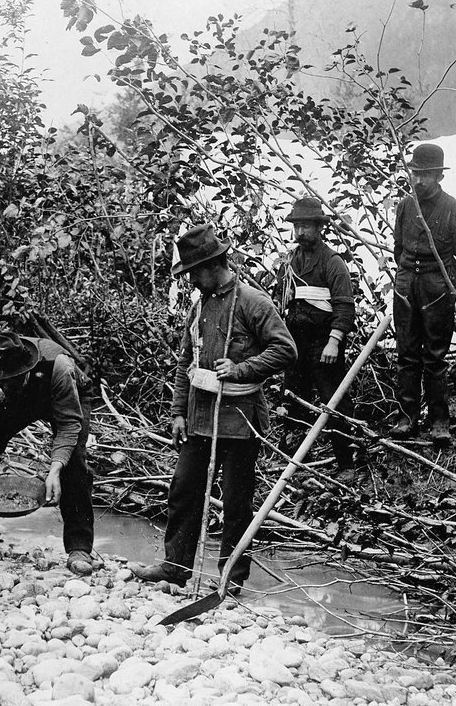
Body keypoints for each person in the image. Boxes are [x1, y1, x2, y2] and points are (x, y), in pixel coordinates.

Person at [131, 224, 296, 591]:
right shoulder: (199, 307)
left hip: (239, 421)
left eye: (193, 272)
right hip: (199, 418)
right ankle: (176, 567)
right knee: (183, 489)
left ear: (212, 265)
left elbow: (286, 349)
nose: (191, 280)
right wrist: (177, 413)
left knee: (236, 502)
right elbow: (184, 363)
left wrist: (241, 369)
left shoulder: (253, 302)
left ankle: (230, 579)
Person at [0, 330, 97, 576]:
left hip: (67, 394)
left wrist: (55, 470)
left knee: (74, 461)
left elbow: (69, 425)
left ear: (26, 368)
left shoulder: (59, 366)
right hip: (23, 399)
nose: (5, 383)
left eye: (12, 378)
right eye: (2, 380)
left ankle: (79, 547)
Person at [391, 142, 456, 444]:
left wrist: (448, 286)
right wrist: (404, 280)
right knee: (406, 354)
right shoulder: (405, 206)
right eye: (415, 173)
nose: (419, 180)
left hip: (436, 288)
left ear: (439, 176)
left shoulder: (454, 210)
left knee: (436, 356)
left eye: (426, 175)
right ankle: (407, 418)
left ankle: (440, 422)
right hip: (406, 288)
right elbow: (398, 249)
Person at [275, 196, 359, 472]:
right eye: (297, 226)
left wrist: (334, 342)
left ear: (319, 227)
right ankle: (296, 466)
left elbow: (344, 306)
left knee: (334, 401)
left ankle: (348, 463)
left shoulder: (333, 263)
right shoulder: (290, 263)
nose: (300, 233)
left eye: (306, 226)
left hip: (324, 343)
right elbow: (282, 302)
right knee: (291, 400)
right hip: (295, 343)